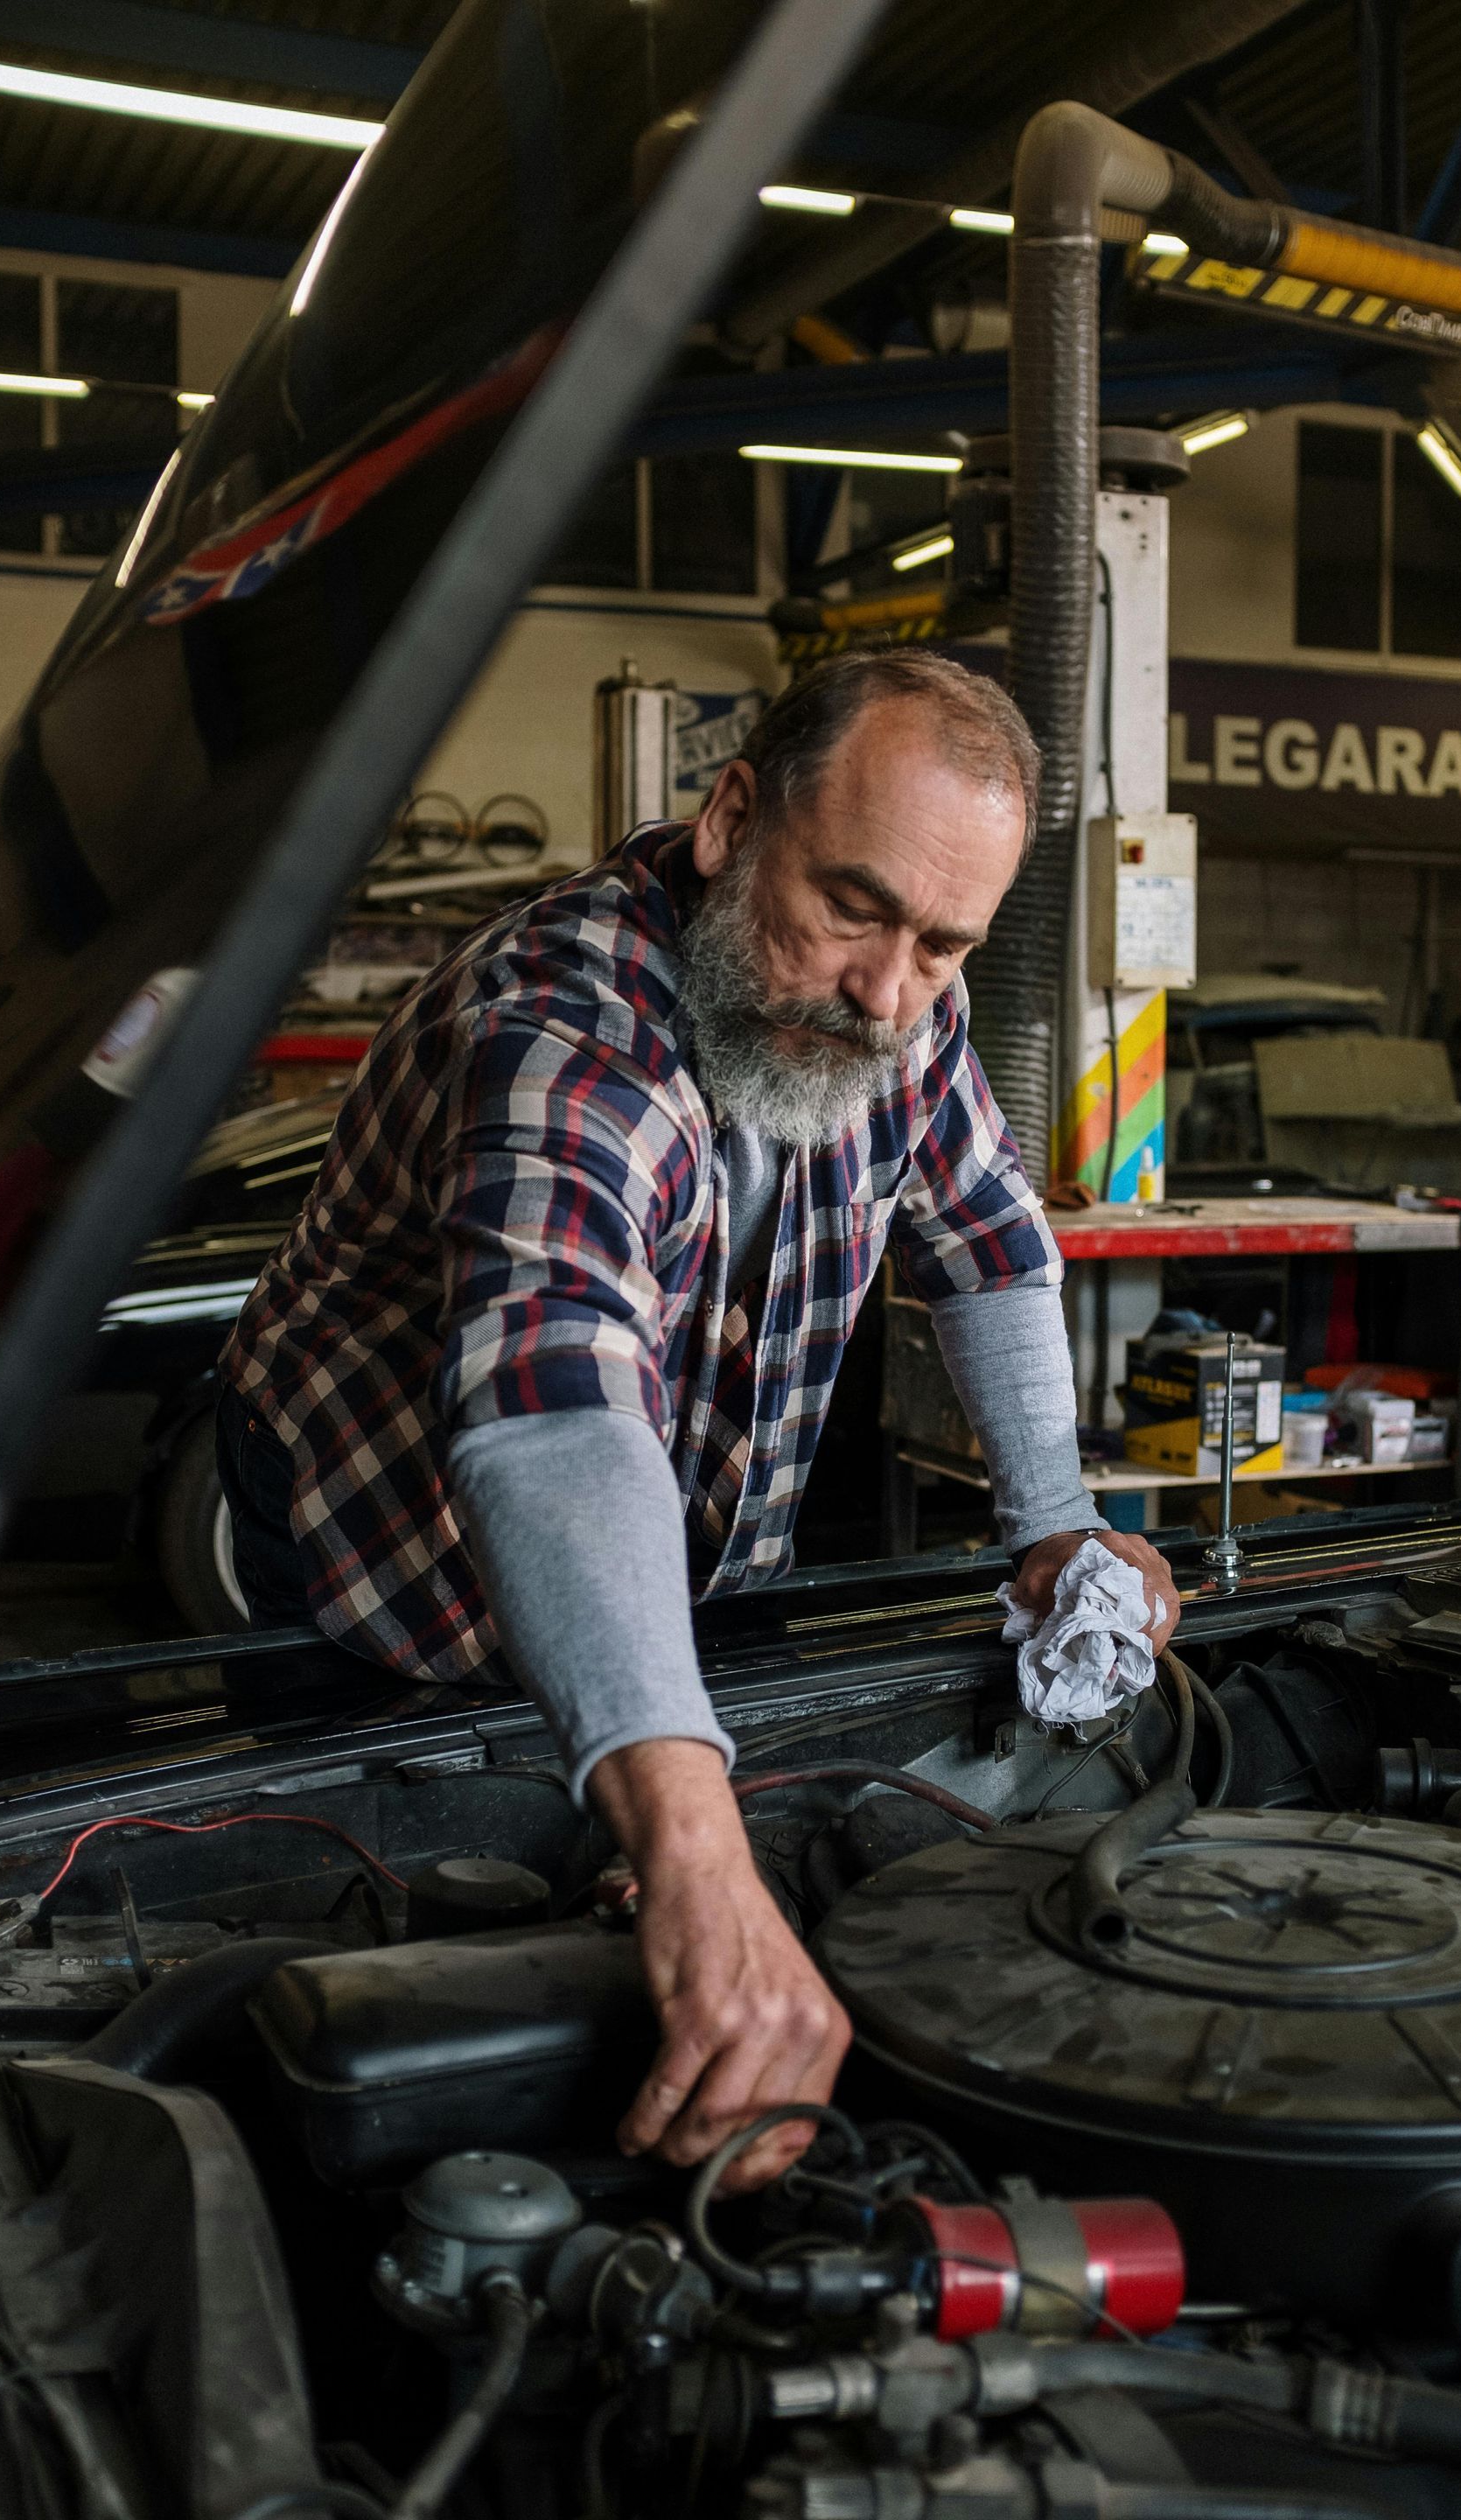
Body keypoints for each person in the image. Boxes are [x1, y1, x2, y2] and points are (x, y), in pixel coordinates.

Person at [217, 648, 1180, 2192]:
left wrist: (1053, 1521)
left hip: (672, 1565)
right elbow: (551, 1405)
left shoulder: (899, 1008)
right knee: (382, 1871)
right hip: (380, 1542)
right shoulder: (562, 1020)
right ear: (734, 819)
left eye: (945, 945)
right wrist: (692, 1853)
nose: (889, 992)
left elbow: (992, 1243)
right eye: (853, 909)